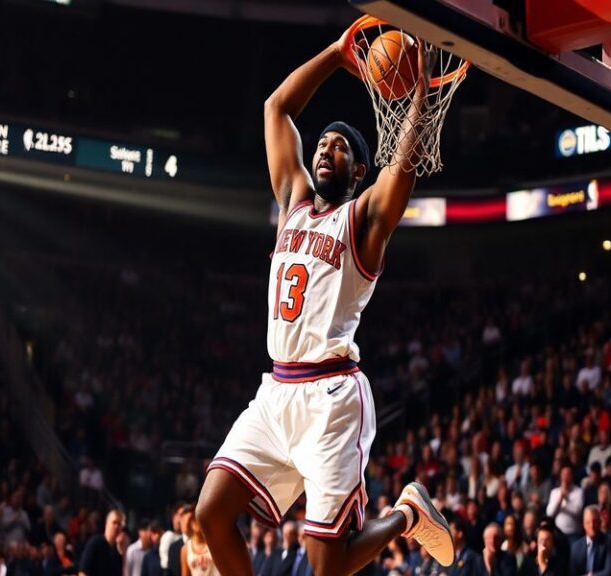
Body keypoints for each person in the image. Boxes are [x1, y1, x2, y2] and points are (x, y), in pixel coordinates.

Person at [197, 23, 453, 576]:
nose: (325, 150)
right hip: (276, 391)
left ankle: (406, 515)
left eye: (339, 148)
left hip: (332, 395)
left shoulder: (362, 221)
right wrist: (337, 56)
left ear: (358, 170)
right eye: (322, 143)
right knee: (211, 514)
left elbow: (402, 167)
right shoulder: (292, 199)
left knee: (326, 569)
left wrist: (419, 93)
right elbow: (277, 106)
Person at [569, 505, 611, 576]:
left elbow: (609, 571)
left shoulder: (609, 541)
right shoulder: (576, 547)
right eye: (588, 522)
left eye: (595, 522)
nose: (592, 526)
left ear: (600, 523)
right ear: (583, 525)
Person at [78, 509, 124, 576]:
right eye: (114, 522)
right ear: (106, 523)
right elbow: (83, 572)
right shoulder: (95, 543)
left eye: (119, 524)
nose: (117, 526)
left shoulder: (117, 552)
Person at [546, 464, 584, 540]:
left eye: (568, 474)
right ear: (560, 476)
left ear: (572, 476)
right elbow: (549, 513)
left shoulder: (578, 492)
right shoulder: (555, 492)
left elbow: (578, 511)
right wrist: (560, 499)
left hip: (573, 533)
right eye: (564, 474)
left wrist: (566, 498)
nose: (565, 477)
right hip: (557, 533)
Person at [180, 507, 219, 576]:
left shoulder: (215, 542)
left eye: (196, 518)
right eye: (192, 520)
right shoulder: (185, 550)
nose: (195, 522)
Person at [160, 503, 187, 575]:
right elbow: (165, 566)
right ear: (173, 517)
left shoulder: (184, 537)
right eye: (180, 515)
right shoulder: (168, 536)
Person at [169, 506, 195, 576]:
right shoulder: (173, 548)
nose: (186, 521)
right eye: (182, 515)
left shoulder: (204, 544)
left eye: (190, 518)